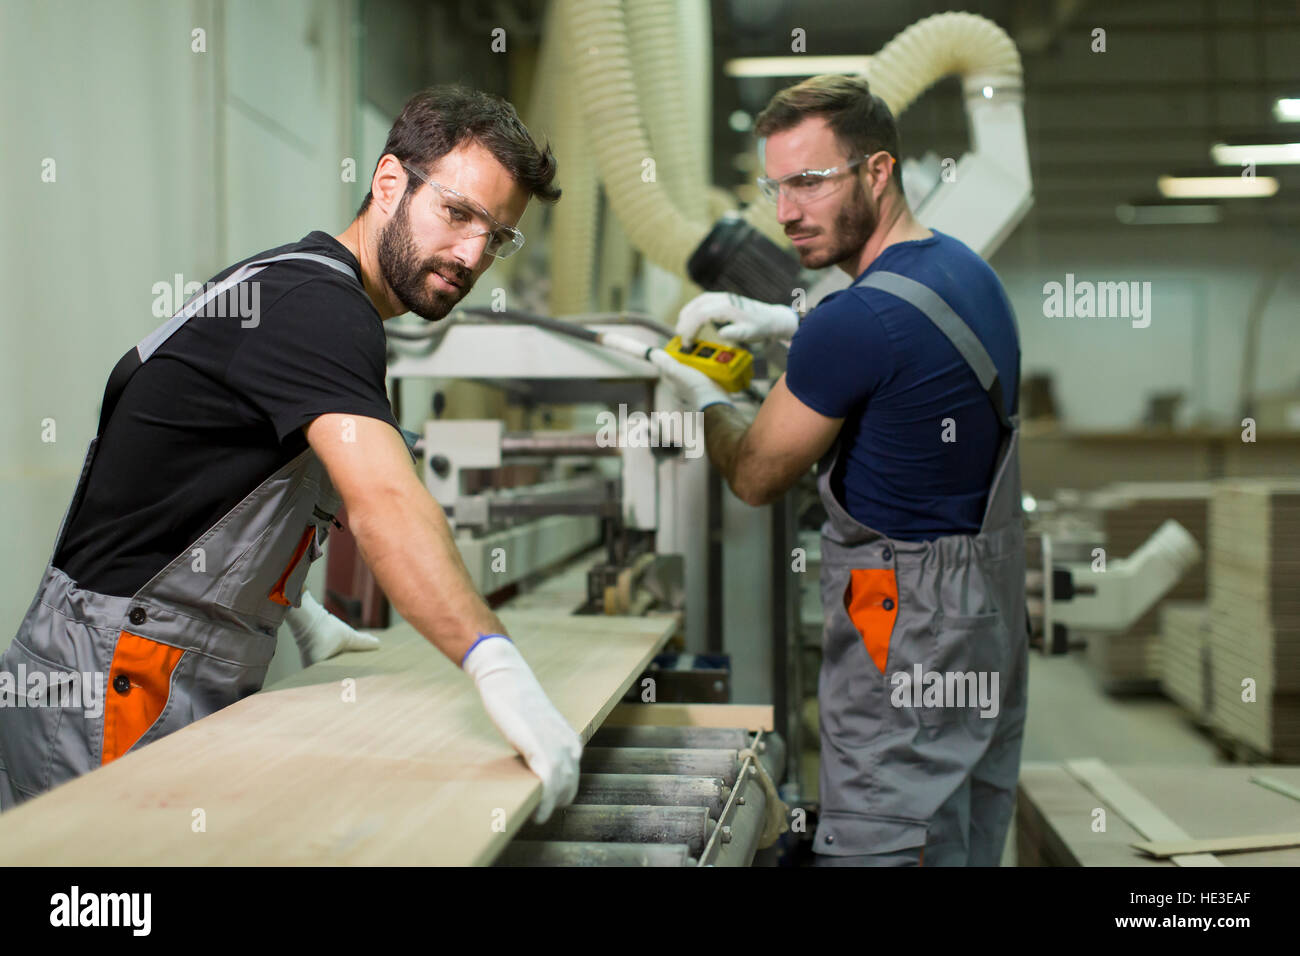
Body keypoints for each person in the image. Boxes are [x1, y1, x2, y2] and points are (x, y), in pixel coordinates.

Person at [0, 85, 582, 823]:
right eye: (458, 213)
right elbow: (388, 506)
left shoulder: (295, 283)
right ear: (389, 181)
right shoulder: (322, 309)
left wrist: (290, 603)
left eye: (496, 236)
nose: (471, 254)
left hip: (123, 656)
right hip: (117, 670)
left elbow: (193, 469)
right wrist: (499, 670)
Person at [651, 75, 1028, 865]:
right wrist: (791, 322)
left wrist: (700, 400)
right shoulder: (966, 273)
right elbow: (902, 342)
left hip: (901, 619)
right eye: (776, 185)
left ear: (878, 172)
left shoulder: (855, 323)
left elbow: (756, 474)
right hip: (983, 611)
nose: (786, 211)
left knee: (882, 838)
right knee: (955, 831)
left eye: (811, 181)